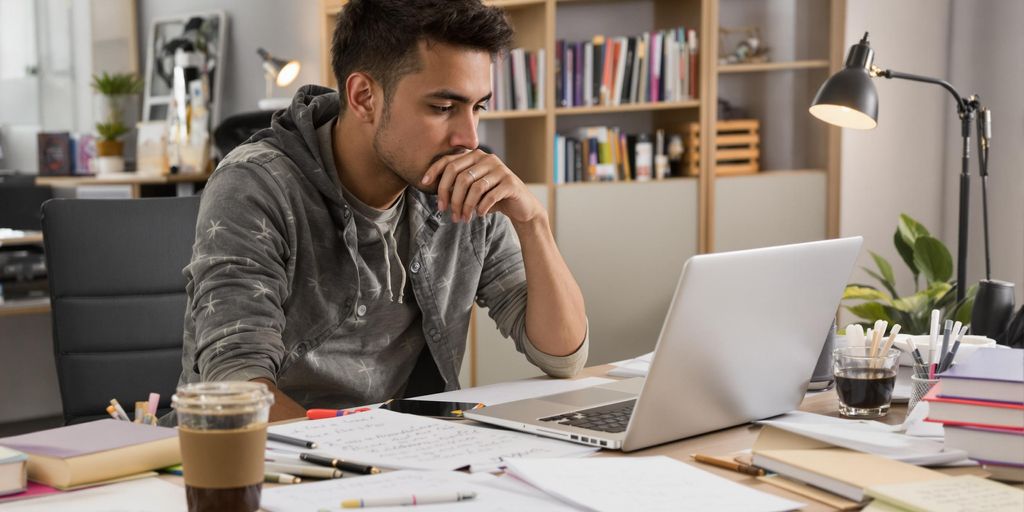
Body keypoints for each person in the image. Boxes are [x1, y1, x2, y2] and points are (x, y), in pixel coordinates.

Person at [173, 0, 589, 421]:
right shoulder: (255, 186)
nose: (469, 137)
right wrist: (363, 453)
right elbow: (238, 385)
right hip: (271, 463)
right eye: (443, 108)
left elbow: (563, 356)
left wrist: (532, 221)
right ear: (364, 97)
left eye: (478, 106)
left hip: (402, 455)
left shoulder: (461, 184)